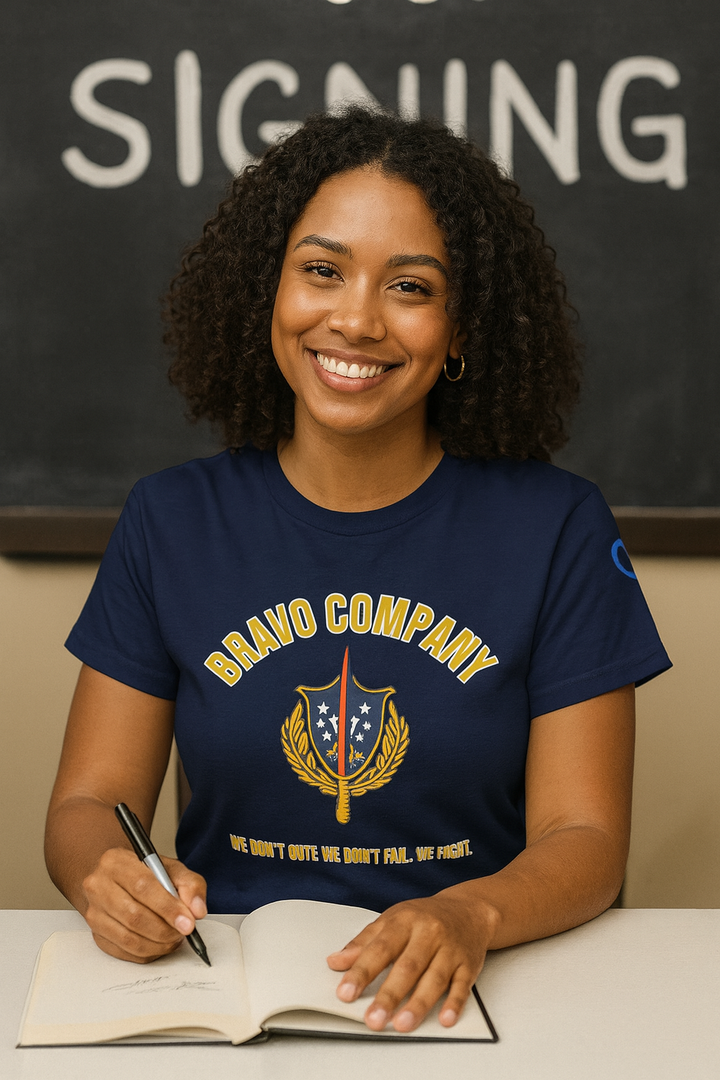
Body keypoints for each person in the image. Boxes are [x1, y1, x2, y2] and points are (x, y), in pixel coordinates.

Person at [45, 107, 670, 1035]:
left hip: (478, 988)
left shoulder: (556, 526)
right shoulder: (171, 519)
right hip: (221, 984)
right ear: (272, 290)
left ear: (461, 329)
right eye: (322, 271)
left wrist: (472, 912)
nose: (355, 318)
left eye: (411, 287)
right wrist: (110, 875)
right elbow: (90, 804)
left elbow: (587, 840)